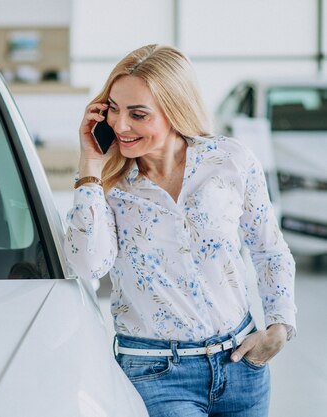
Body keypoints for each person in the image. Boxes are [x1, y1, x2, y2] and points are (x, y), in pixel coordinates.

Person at [65, 44, 296, 417]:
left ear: (175, 109)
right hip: (156, 373)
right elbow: (87, 266)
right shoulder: (106, 185)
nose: (121, 126)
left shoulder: (230, 160)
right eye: (114, 110)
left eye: (138, 114)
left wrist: (280, 324)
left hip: (242, 366)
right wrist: (90, 164)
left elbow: (268, 248)